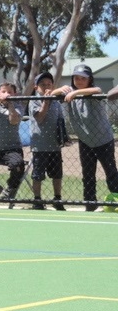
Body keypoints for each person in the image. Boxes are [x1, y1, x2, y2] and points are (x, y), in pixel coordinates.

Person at [51, 64, 118, 212]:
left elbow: (98, 90)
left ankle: (116, 200)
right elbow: (51, 95)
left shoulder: (92, 93)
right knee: (88, 175)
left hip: (103, 140)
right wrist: (60, 90)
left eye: (83, 78)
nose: (79, 81)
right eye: (76, 78)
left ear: (90, 80)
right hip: (85, 141)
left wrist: (75, 93)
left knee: (111, 172)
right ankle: (90, 204)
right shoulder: (69, 94)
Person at [27, 72, 66, 211]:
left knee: (57, 174)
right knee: (38, 175)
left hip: (54, 144)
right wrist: (46, 101)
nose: (46, 87)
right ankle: (37, 200)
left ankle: (57, 199)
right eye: (43, 85)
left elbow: (60, 119)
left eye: (49, 84)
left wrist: (63, 136)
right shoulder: (34, 100)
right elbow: (40, 118)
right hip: (40, 145)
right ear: (36, 87)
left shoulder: (56, 100)